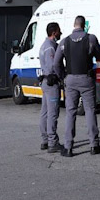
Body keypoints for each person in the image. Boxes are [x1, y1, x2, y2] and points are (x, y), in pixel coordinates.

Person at [56, 15, 100, 156]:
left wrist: (62, 76)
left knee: (71, 112)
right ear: (84, 25)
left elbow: (56, 63)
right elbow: (99, 55)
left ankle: (68, 147)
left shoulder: (65, 41)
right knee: (90, 110)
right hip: (86, 79)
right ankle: (94, 145)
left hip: (70, 79)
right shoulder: (91, 38)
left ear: (74, 24)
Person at [38, 22, 62, 152]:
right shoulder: (50, 48)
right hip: (52, 83)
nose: (60, 33)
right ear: (54, 33)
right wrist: (62, 76)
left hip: (45, 83)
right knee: (52, 113)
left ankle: (45, 140)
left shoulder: (44, 45)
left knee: (45, 112)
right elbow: (54, 66)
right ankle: (52, 143)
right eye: (59, 31)